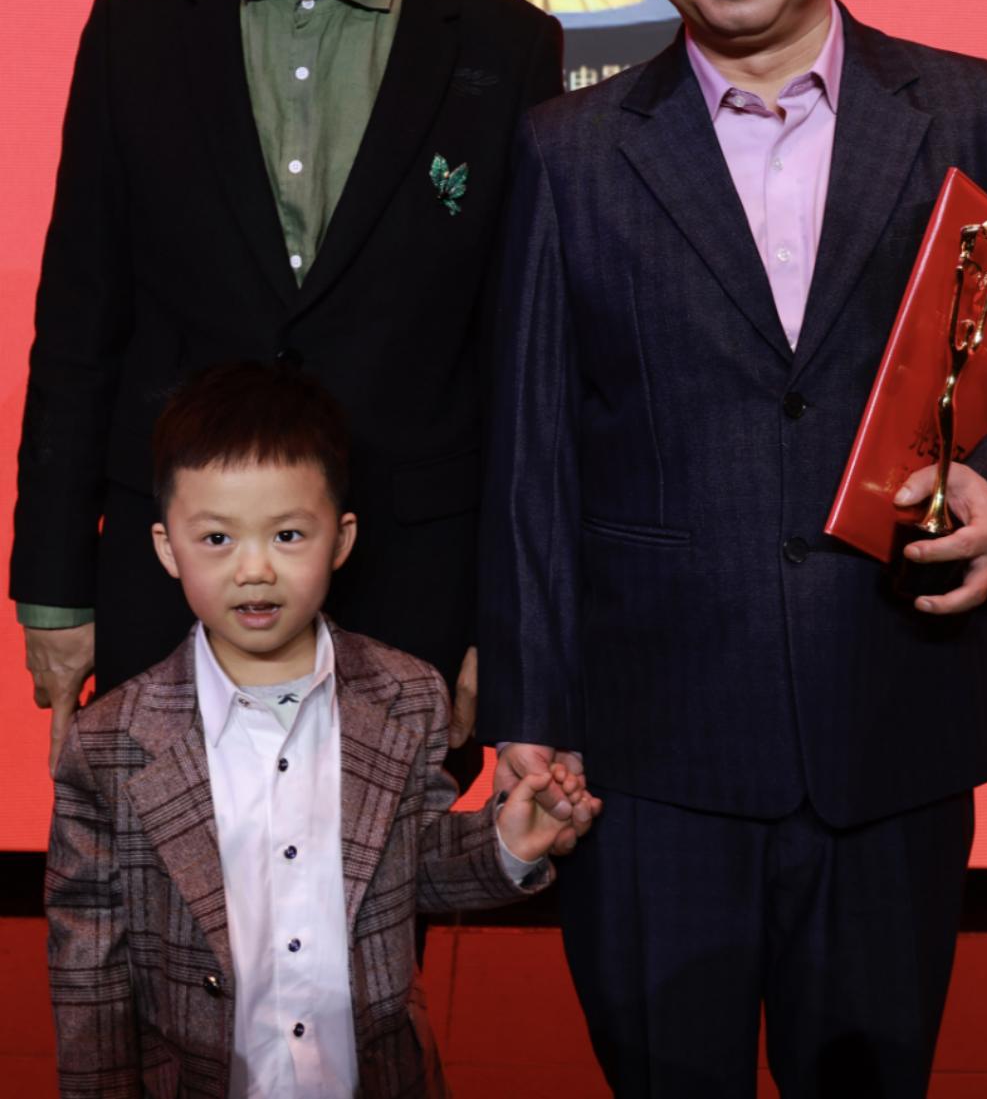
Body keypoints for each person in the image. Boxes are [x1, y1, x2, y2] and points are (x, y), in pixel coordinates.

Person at [479, 0, 987, 1097]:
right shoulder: (569, 151)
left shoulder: (974, 113)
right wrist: (530, 706)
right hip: (648, 754)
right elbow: (531, 452)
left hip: (888, 721)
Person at [11, 0, 563, 772]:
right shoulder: (133, 34)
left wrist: (503, 625)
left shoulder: (507, 46)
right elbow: (77, 329)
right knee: (170, 879)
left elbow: (522, 369)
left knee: (381, 886)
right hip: (173, 585)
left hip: (412, 591)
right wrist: (54, 584)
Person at [46, 361, 598, 1098]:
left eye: (287, 534)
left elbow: (412, 868)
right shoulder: (110, 740)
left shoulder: (404, 696)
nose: (254, 569)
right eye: (216, 538)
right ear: (166, 546)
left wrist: (506, 842)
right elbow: (87, 967)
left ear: (340, 538)